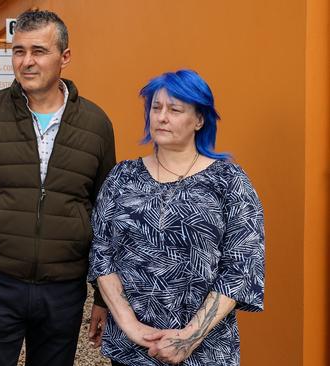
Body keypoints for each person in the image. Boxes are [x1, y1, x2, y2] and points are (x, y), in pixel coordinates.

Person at [0, 9, 116, 366]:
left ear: (64, 57)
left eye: (39, 51)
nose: (26, 61)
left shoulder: (97, 125)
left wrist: (102, 296)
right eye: (18, 51)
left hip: (64, 289)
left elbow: (106, 218)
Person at [88, 69, 265, 366]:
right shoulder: (122, 177)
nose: (161, 117)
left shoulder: (229, 181)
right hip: (132, 351)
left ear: (199, 120)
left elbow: (241, 268)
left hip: (206, 351)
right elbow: (101, 254)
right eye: (156, 108)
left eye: (175, 109)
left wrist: (189, 337)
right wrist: (132, 327)